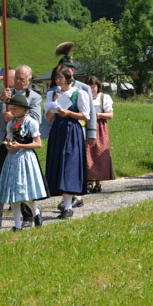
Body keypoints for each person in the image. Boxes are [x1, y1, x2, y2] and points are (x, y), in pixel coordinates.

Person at [0, 65, 42, 229]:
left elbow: (36, 119)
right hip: (4, 139)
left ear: (29, 80)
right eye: (16, 77)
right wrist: (0, 99)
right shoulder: (7, 93)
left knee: (22, 179)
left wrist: (15, 115)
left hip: (22, 142)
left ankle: (28, 215)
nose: (17, 81)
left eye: (21, 79)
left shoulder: (34, 97)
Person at [0, 93, 49, 230]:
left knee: (25, 193)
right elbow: (8, 139)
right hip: (12, 159)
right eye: (11, 108)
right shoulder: (11, 124)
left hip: (26, 158)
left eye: (15, 109)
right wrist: (8, 145)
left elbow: (38, 144)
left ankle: (36, 211)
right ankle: (17, 225)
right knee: (14, 194)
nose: (11, 111)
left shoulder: (31, 123)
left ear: (23, 109)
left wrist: (20, 146)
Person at [45, 67, 90, 218]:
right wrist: (55, 105)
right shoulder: (52, 94)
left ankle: (69, 206)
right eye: (56, 78)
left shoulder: (79, 93)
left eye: (60, 78)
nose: (58, 81)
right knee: (59, 164)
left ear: (67, 78)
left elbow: (85, 116)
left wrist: (69, 112)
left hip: (72, 130)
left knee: (69, 165)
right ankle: (66, 204)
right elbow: (48, 118)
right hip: (58, 130)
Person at [85, 75, 115, 192]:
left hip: (100, 127)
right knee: (87, 153)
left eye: (94, 87)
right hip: (87, 127)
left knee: (99, 153)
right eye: (89, 87)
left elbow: (110, 115)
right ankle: (89, 182)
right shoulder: (84, 98)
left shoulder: (104, 98)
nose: (92, 89)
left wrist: (98, 115)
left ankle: (98, 183)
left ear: (98, 87)